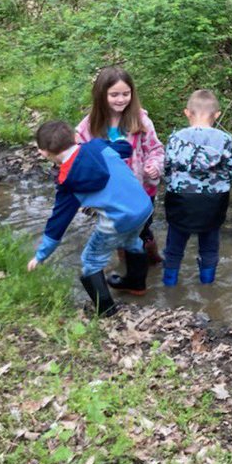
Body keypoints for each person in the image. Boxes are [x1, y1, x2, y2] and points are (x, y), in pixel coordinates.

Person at [27, 121, 153, 317]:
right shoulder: (98, 146)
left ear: (43, 152)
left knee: (91, 260)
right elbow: (125, 148)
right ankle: (136, 285)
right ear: (76, 138)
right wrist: (116, 132)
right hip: (143, 207)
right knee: (132, 241)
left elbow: (57, 224)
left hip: (118, 220)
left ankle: (106, 312)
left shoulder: (67, 182)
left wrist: (41, 255)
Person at [76, 66, 164, 293]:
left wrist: (154, 166)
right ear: (101, 95)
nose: (121, 99)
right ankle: (134, 273)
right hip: (110, 197)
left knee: (143, 232)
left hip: (141, 192)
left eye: (126, 94)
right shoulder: (88, 127)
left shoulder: (141, 121)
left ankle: (147, 268)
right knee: (120, 232)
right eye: (114, 94)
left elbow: (156, 150)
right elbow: (79, 159)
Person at [161, 90, 232, 287]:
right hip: (213, 199)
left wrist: (171, 184)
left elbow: (167, 167)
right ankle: (208, 284)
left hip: (181, 197)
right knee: (209, 244)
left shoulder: (176, 138)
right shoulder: (225, 139)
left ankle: (169, 285)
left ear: (187, 112)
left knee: (175, 244)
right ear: (217, 114)